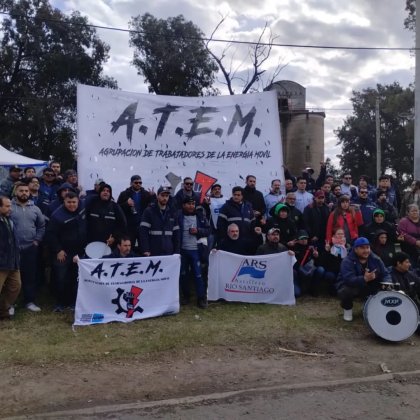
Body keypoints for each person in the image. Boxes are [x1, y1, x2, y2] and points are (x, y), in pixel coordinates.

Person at [45, 192, 86, 311]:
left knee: (76, 278)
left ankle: (74, 303)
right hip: (63, 252)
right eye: (69, 202)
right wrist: (58, 250)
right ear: (64, 201)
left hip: (79, 251)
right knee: (61, 278)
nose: (72, 205)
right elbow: (50, 234)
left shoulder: (83, 207)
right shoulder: (57, 216)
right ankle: (60, 303)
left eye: (74, 202)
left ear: (78, 201)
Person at [336, 237, 390, 322]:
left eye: (367, 247)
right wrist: (364, 279)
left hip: (370, 284)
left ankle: (369, 306)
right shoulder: (347, 261)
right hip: (352, 286)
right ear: (355, 249)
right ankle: (347, 309)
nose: (366, 250)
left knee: (385, 287)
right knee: (346, 290)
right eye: (362, 248)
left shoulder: (376, 259)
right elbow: (348, 279)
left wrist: (386, 283)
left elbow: (385, 273)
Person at [10, 182, 45, 312]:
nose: (24, 193)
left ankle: (29, 301)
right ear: (16, 192)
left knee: (30, 275)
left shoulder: (35, 208)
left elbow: (41, 226)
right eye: (21, 191)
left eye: (26, 191)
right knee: (12, 277)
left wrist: (37, 240)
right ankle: (11, 303)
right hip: (13, 249)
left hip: (31, 247)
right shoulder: (9, 207)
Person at [178, 197, 210, 308]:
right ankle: (186, 296)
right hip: (182, 250)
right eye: (189, 204)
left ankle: (201, 298)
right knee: (183, 274)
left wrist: (198, 231)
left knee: (198, 274)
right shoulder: (178, 216)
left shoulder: (200, 216)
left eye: (193, 204)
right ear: (183, 205)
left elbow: (208, 230)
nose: (191, 206)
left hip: (196, 250)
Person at [217, 186, 262, 253]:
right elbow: (221, 224)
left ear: (242, 196)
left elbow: (253, 223)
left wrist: (254, 233)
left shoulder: (248, 206)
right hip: (231, 242)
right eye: (234, 195)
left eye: (238, 195)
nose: (236, 197)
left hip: (246, 241)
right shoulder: (226, 207)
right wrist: (225, 238)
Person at [139, 186, 180, 256]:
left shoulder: (172, 213)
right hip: (153, 251)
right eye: (162, 195)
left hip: (169, 251)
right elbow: (143, 232)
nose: (165, 198)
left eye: (167, 196)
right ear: (157, 196)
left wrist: (177, 251)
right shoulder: (149, 211)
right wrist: (146, 249)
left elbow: (177, 235)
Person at [117, 175, 155, 248]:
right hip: (129, 226)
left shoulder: (146, 194)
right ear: (131, 183)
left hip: (143, 225)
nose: (138, 184)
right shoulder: (124, 194)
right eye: (136, 182)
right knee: (129, 247)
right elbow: (118, 208)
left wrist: (153, 197)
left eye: (140, 182)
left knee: (144, 247)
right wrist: (126, 204)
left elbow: (153, 207)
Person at [0, 196, 21, 320]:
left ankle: (3, 311)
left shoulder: (9, 219)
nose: (10, 209)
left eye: (10, 206)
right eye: (7, 206)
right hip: (2, 262)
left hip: (13, 261)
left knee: (15, 286)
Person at [202, 184, 225, 250]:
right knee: (209, 249)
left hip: (223, 230)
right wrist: (206, 204)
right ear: (211, 191)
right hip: (212, 230)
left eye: (218, 189)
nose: (217, 190)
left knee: (222, 250)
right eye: (215, 189)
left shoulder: (226, 199)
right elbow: (204, 212)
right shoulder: (208, 200)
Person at [397, 204, 420, 269]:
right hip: (408, 248)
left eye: (416, 210)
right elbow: (403, 233)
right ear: (408, 213)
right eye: (412, 211)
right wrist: (416, 242)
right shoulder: (403, 221)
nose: (415, 212)